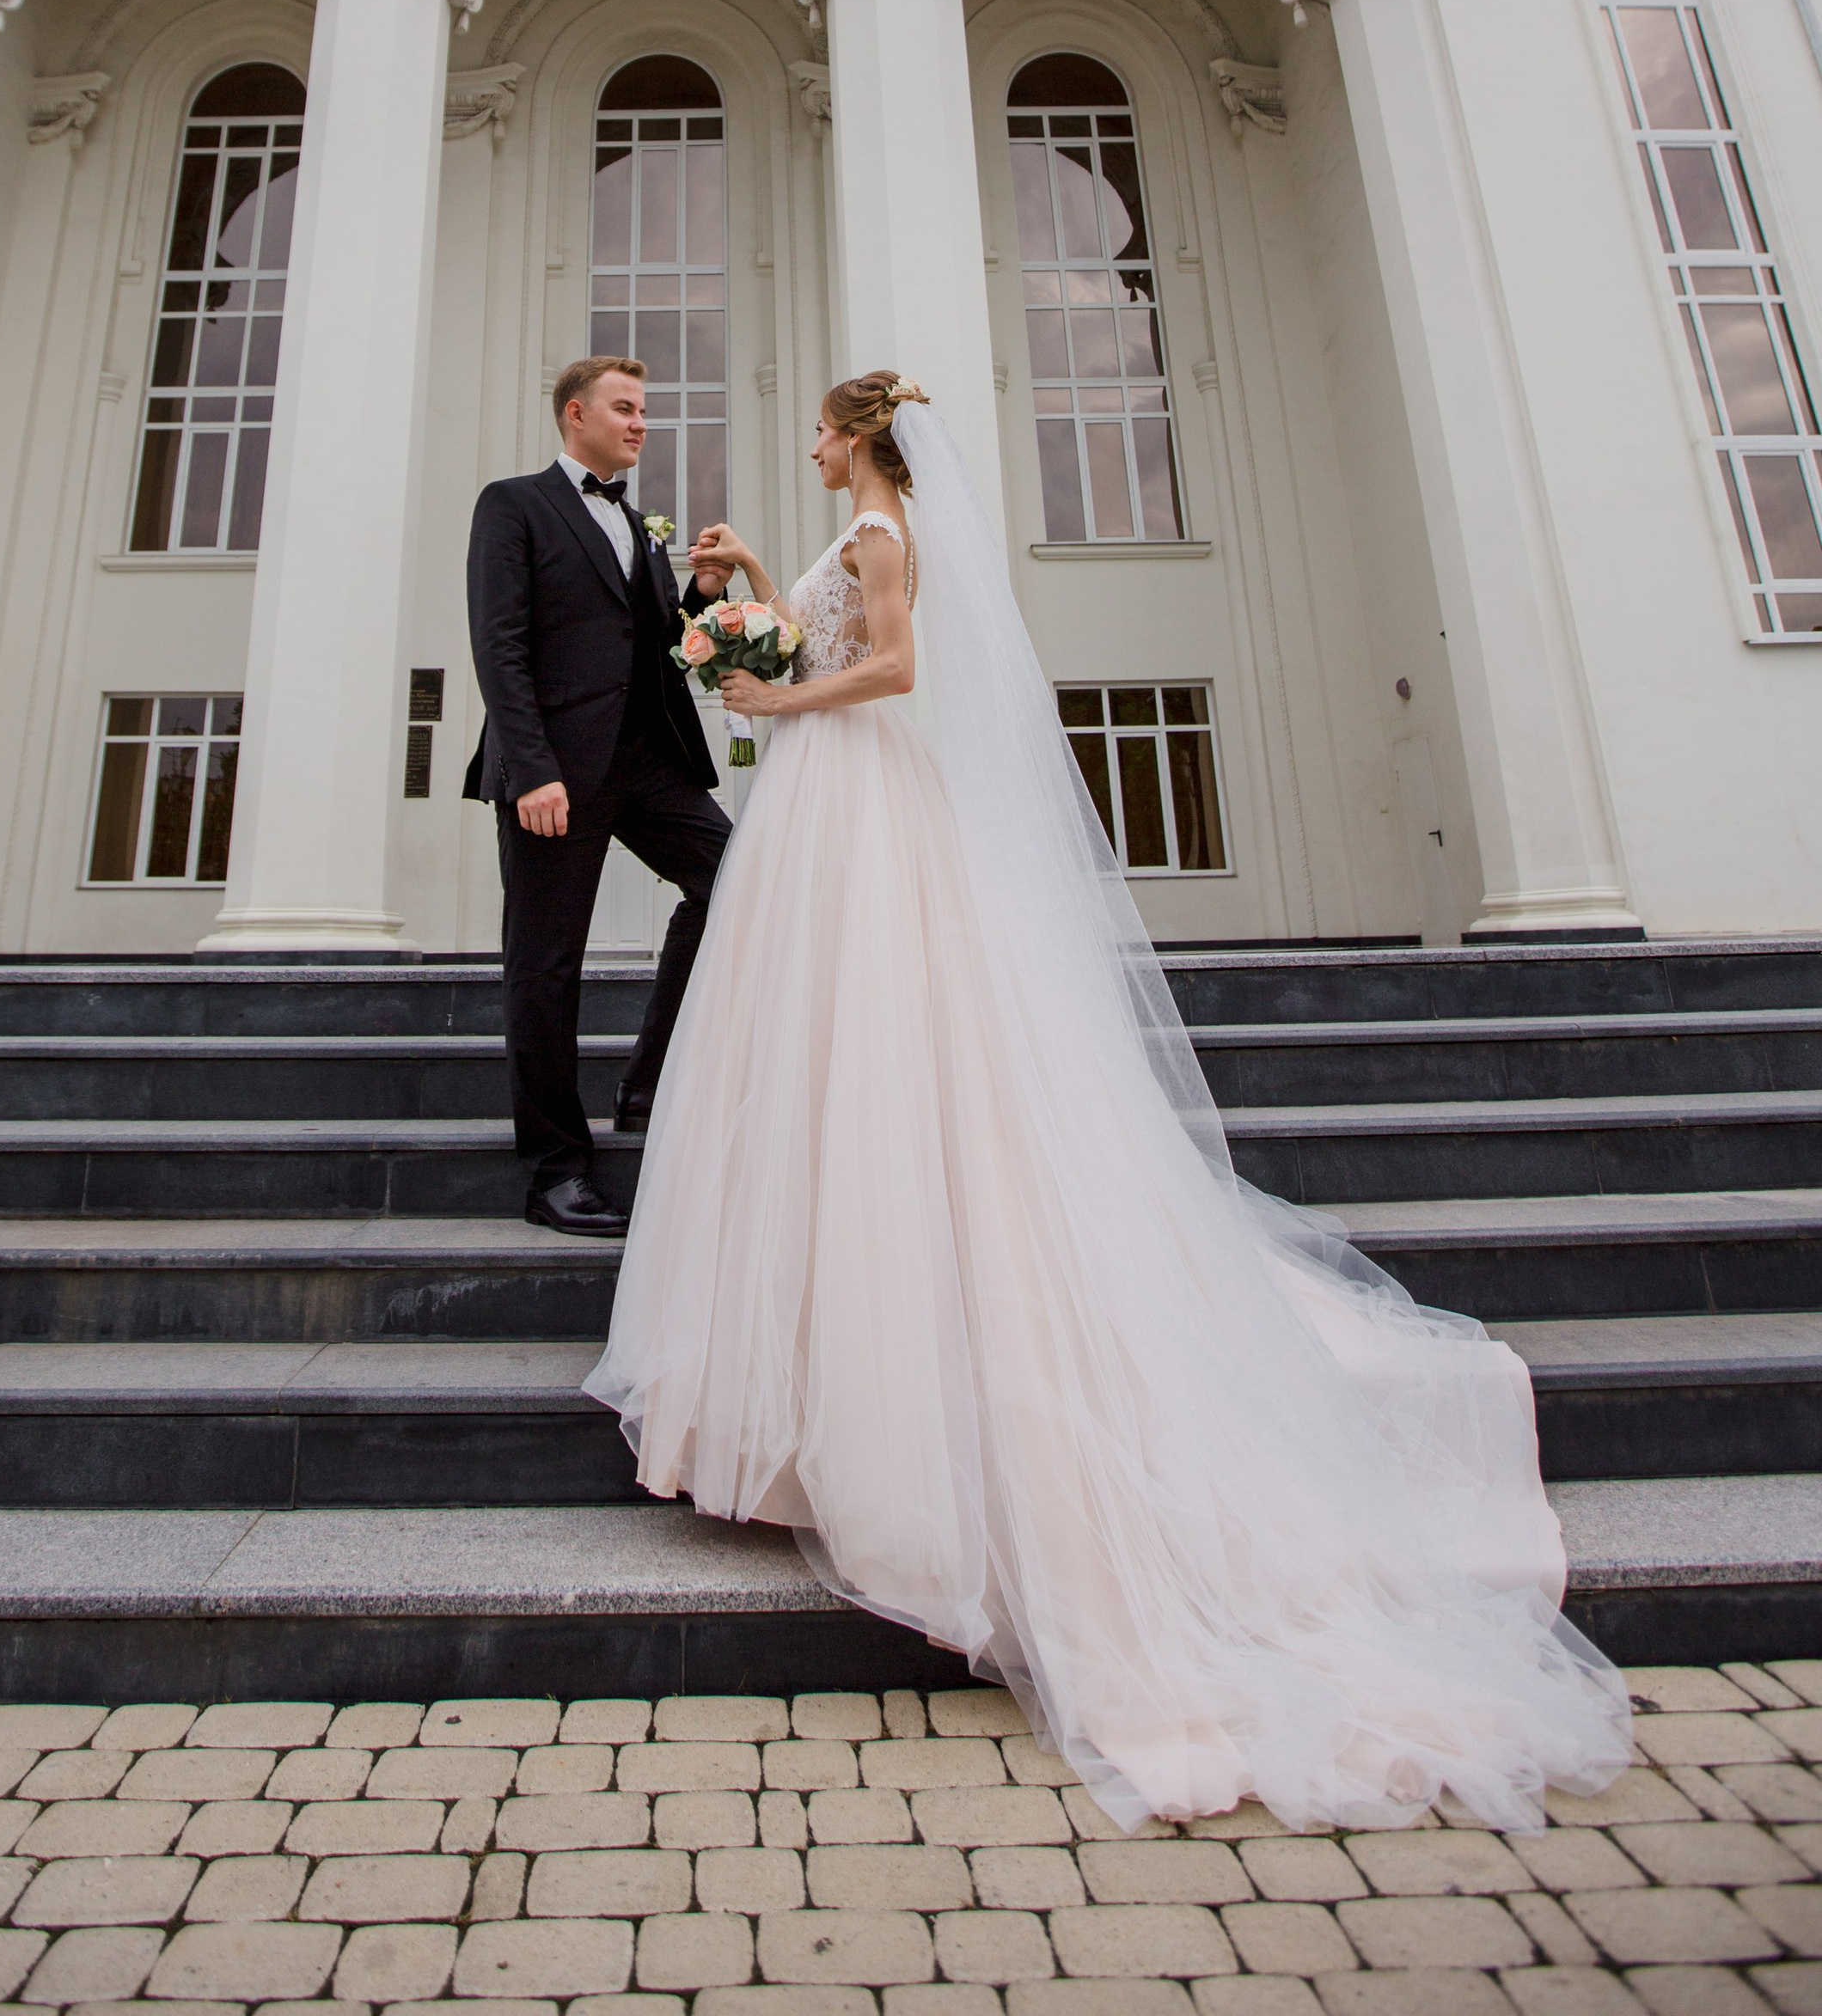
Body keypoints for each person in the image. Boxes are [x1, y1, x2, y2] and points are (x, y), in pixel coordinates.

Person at [588, 370, 1631, 1830]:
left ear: (860, 442)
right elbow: (829, 625)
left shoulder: (888, 536)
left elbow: (889, 672)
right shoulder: (860, 530)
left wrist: (771, 690)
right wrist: (755, 585)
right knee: (811, 1053)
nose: (813, 445)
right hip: (826, 800)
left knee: (876, 1046)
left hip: (854, 787)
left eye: (826, 430)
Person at [464, 356, 734, 1237]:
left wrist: (700, 594)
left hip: (646, 763)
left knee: (738, 876)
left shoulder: (639, 525)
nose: (640, 422)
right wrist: (532, 767)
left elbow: (657, 643)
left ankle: (647, 1083)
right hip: (553, 771)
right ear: (573, 413)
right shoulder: (513, 505)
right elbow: (499, 647)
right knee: (544, 968)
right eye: (624, 407)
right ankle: (554, 1171)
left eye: (645, 409)